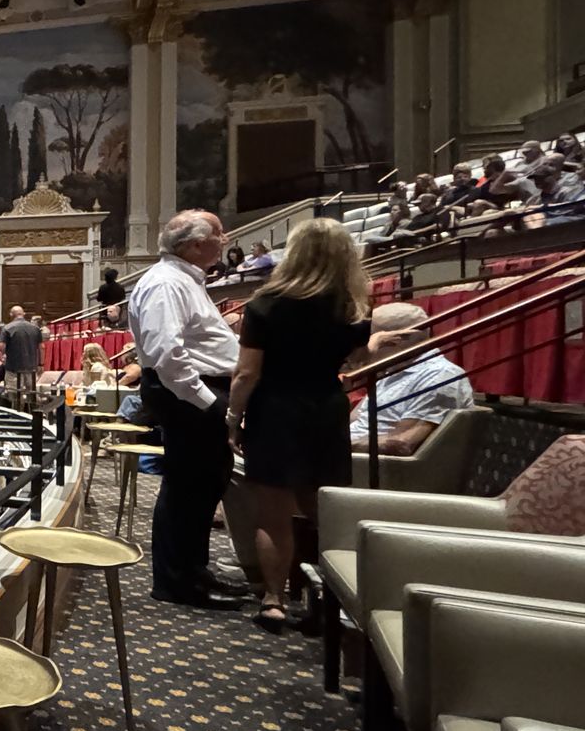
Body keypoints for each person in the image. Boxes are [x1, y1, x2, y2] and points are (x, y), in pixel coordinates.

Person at [225, 219, 417, 632]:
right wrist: (372, 345)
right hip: (326, 409)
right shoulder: (351, 308)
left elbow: (246, 374)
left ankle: (274, 599)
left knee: (273, 516)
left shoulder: (266, 304)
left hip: (274, 409)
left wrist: (233, 418)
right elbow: (351, 361)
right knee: (324, 512)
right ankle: (331, 600)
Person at [127, 210, 246, 607]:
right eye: (217, 233)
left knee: (203, 485)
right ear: (195, 244)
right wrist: (210, 403)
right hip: (187, 395)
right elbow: (168, 355)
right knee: (187, 487)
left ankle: (195, 570)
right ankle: (177, 581)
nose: (225, 238)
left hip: (192, 393)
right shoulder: (166, 284)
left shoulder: (183, 280)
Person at [348, 302, 474, 455]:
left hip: (374, 465)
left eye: (369, 336)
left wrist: (333, 447)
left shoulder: (440, 375)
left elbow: (401, 443)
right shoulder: (392, 370)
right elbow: (353, 419)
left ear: (395, 339)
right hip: (347, 456)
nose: (363, 344)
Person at [0, 306, 42, 393]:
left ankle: (17, 407)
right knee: (32, 395)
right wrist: (41, 364)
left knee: (14, 396)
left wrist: (3, 355)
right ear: (23, 314)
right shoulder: (35, 328)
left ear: (11, 314)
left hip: (13, 369)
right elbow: (42, 347)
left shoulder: (7, 328)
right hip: (31, 368)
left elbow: (1, 346)